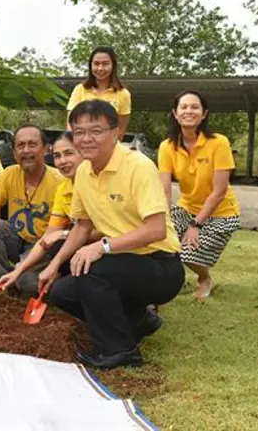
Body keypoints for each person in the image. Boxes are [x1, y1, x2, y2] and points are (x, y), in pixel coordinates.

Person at [37, 100, 184, 369]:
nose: (86, 139)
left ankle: (120, 351)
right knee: (62, 292)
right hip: (121, 262)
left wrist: (101, 246)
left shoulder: (138, 166)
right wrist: (54, 266)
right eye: (79, 132)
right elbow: (82, 226)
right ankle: (137, 320)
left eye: (96, 130)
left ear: (115, 132)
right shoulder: (83, 171)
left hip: (160, 265)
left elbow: (156, 229)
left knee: (92, 268)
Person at [0, 133, 101, 296]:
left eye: (69, 153)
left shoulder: (98, 184)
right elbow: (49, 237)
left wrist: (63, 234)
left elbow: (105, 230)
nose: (62, 161)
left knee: (59, 284)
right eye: (57, 156)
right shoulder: (64, 188)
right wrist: (18, 271)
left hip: (108, 249)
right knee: (26, 283)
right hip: (73, 248)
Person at [158, 90, 240, 300]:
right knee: (159, 240)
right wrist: (163, 222)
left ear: (204, 114)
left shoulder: (219, 142)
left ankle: (204, 277)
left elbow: (219, 191)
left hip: (222, 212)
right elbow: (164, 189)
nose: (189, 111)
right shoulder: (167, 147)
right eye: (183, 107)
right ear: (175, 113)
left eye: (195, 107)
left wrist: (195, 226)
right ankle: (165, 284)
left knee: (188, 252)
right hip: (186, 207)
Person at [0, 125, 64, 286]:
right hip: (17, 238)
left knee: (27, 284)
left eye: (32, 144)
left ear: (45, 149)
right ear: (14, 153)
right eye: (20, 146)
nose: (26, 150)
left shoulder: (60, 181)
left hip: (44, 245)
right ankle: (4, 278)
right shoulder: (10, 174)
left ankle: (49, 275)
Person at [66, 47, 131, 139]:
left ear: (113, 66)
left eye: (105, 64)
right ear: (90, 66)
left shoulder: (123, 94)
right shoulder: (80, 89)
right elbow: (70, 123)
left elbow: (120, 129)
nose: (100, 68)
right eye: (96, 64)